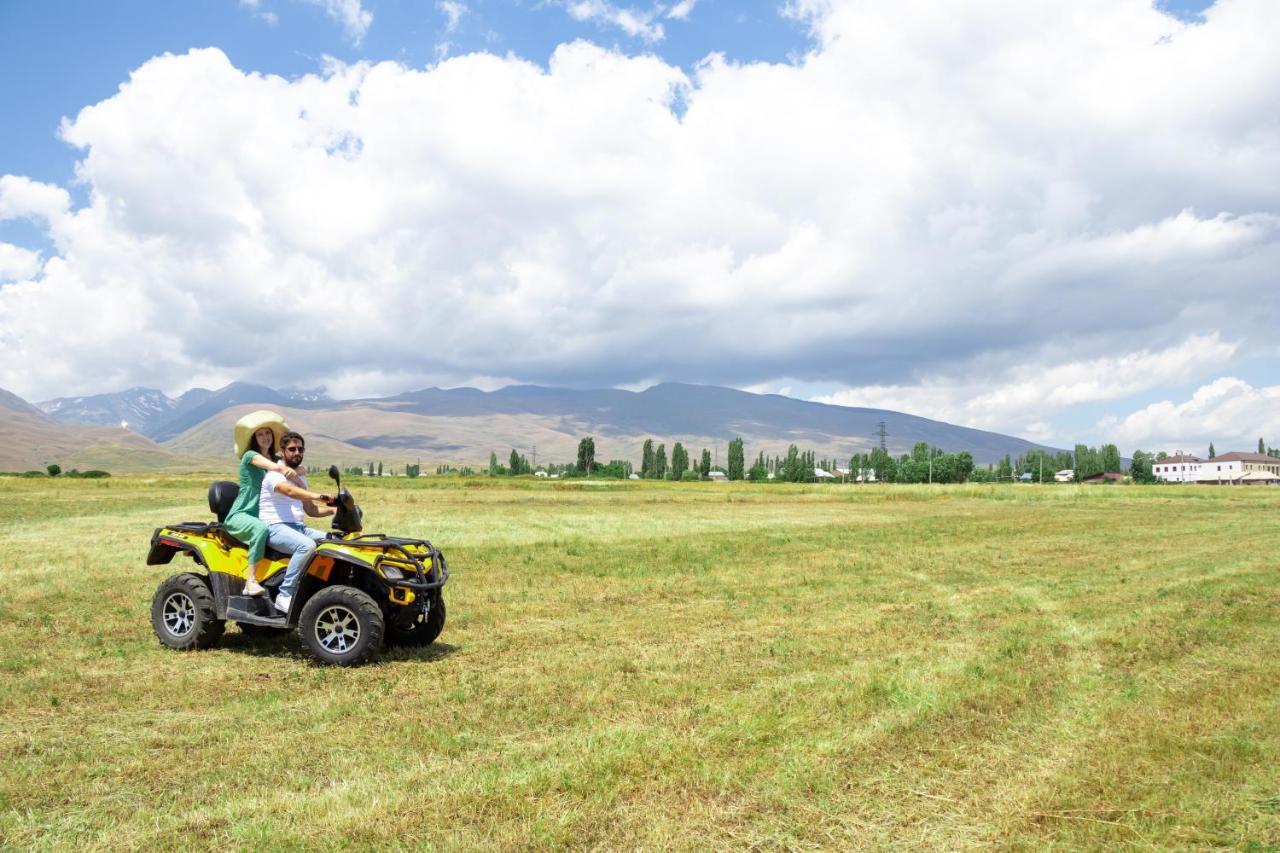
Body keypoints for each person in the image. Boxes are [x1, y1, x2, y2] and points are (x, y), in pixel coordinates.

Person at [224, 410, 300, 596]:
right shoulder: (250, 456)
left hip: (263, 514)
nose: (265, 437)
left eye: (267, 433)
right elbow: (272, 466)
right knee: (260, 530)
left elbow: (294, 466)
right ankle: (250, 581)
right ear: (254, 438)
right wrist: (284, 468)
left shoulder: (277, 459)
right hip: (242, 514)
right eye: (260, 434)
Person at [259, 431, 334, 614]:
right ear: (282, 451)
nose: (296, 452)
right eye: (292, 449)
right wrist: (319, 495)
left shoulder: (300, 479)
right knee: (306, 546)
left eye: (300, 449)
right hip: (274, 527)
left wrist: (335, 510)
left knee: (334, 541)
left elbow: (311, 510)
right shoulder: (274, 475)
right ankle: (285, 594)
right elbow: (290, 492)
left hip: (298, 528)